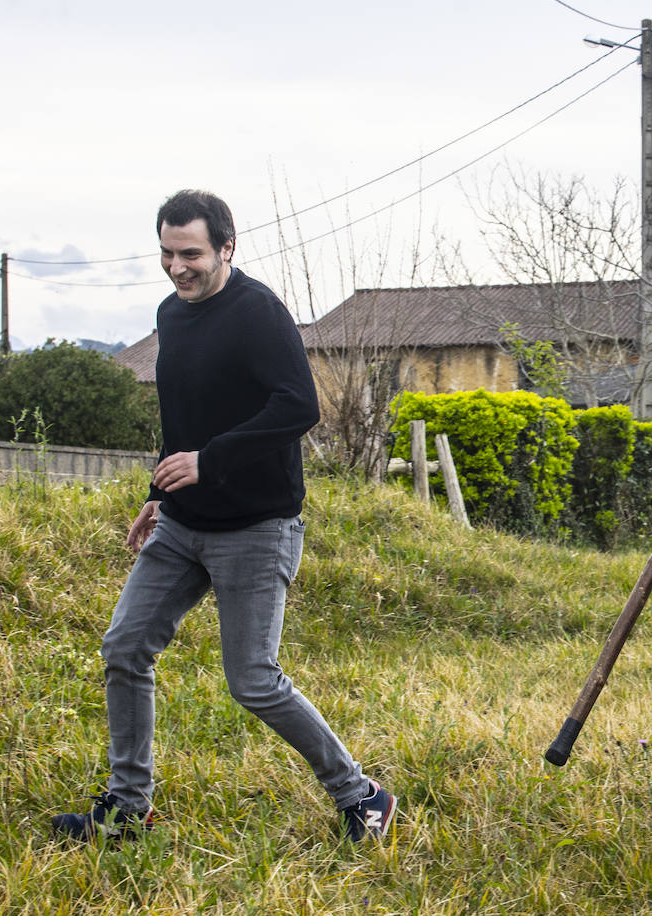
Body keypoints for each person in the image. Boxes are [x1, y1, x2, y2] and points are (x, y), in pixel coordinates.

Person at [51, 189, 396, 842]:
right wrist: (159, 492)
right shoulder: (171, 316)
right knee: (125, 647)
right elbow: (182, 418)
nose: (178, 267)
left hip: (257, 528)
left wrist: (211, 461)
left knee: (254, 682)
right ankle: (129, 811)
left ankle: (363, 796)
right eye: (166, 252)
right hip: (182, 525)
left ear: (227, 248)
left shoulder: (259, 314)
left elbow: (299, 407)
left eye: (191, 254)